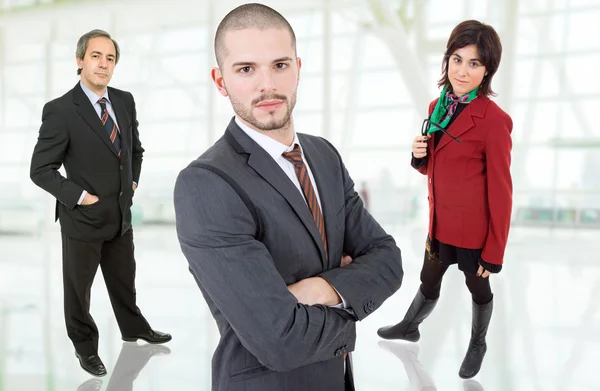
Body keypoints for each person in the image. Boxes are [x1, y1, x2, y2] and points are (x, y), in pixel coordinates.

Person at [173, 3, 404, 391]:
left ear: (298, 68)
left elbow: (388, 259)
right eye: (246, 69)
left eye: (279, 65)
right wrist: (349, 291)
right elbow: (279, 340)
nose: (267, 85)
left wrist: (319, 290)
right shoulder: (207, 183)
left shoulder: (323, 156)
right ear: (220, 80)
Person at [30, 29, 171, 378]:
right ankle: (85, 347)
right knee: (79, 290)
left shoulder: (123, 101)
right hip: (84, 218)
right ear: (80, 61)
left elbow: (135, 150)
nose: (103, 64)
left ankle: (133, 327)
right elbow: (40, 170)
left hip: (121, 214)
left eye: (110, 58)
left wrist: (132, 181)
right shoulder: (61, 110)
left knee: (125, 279)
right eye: (96, 56)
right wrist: (80, 197)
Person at [377, 19, 513, 380]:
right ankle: (409, 326)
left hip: (474, 229)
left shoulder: (494, 121)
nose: (462, 71)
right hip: (440, 221)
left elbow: (501, 191)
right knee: (429, 278)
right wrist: (419, 155)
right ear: (446, 60)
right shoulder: (438, 105)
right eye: (456, 59)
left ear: (487, 71)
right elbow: (437, 166)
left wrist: (495, 251)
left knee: (477, 285)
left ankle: (478, 343)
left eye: (474, 63)